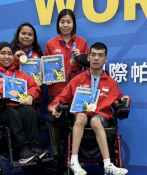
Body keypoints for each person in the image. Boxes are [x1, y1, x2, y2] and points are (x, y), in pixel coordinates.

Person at [48, 42, 130, 175]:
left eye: (100, 55)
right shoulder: (78, 79)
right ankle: (74, 162)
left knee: (95, 121)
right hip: (82, 114)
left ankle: (108, 165)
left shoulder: (110, 82)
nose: (96, 58)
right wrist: (52, 107)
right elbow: (62, 97)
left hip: (100, 116)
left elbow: (118, 101)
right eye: (93, 55)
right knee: (81, 116)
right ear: (88, 58)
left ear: (106, 59)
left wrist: (126, 100)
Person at [0, 42, 49, 163]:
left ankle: (35, 148)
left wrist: (30, 96)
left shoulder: (20, 74)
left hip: (18, 106)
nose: (7, 56)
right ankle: (23, 150)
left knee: (30, 112)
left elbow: (34, 87)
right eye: (3, 53)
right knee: (11, 113)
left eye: (10, 54)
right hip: (0, 109)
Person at [44, 8, 89, 152]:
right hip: (56, 90)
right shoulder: (51, 43)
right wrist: (47, 78)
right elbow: (46, 67)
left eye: (69, 22)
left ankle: (76, 156)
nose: (65, 25)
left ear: (73, 24)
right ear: (58, 24)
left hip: (78, 92)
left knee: (78, 123)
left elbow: (89, 66)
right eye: (62, 22)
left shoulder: (82, 42)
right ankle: (55, 153)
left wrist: (81, 56)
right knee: (55, 123)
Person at [11, 22, 45, 109]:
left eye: (30, 34)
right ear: (18, 35)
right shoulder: (11, 51)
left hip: (35, 96)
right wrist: (14, 59)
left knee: (33, 120)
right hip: (15, 94)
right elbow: (5, 72)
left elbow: (46, 71)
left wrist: (45, 78)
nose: (26, 36)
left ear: (34, 38)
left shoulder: (39, 53)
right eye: (23, 33)